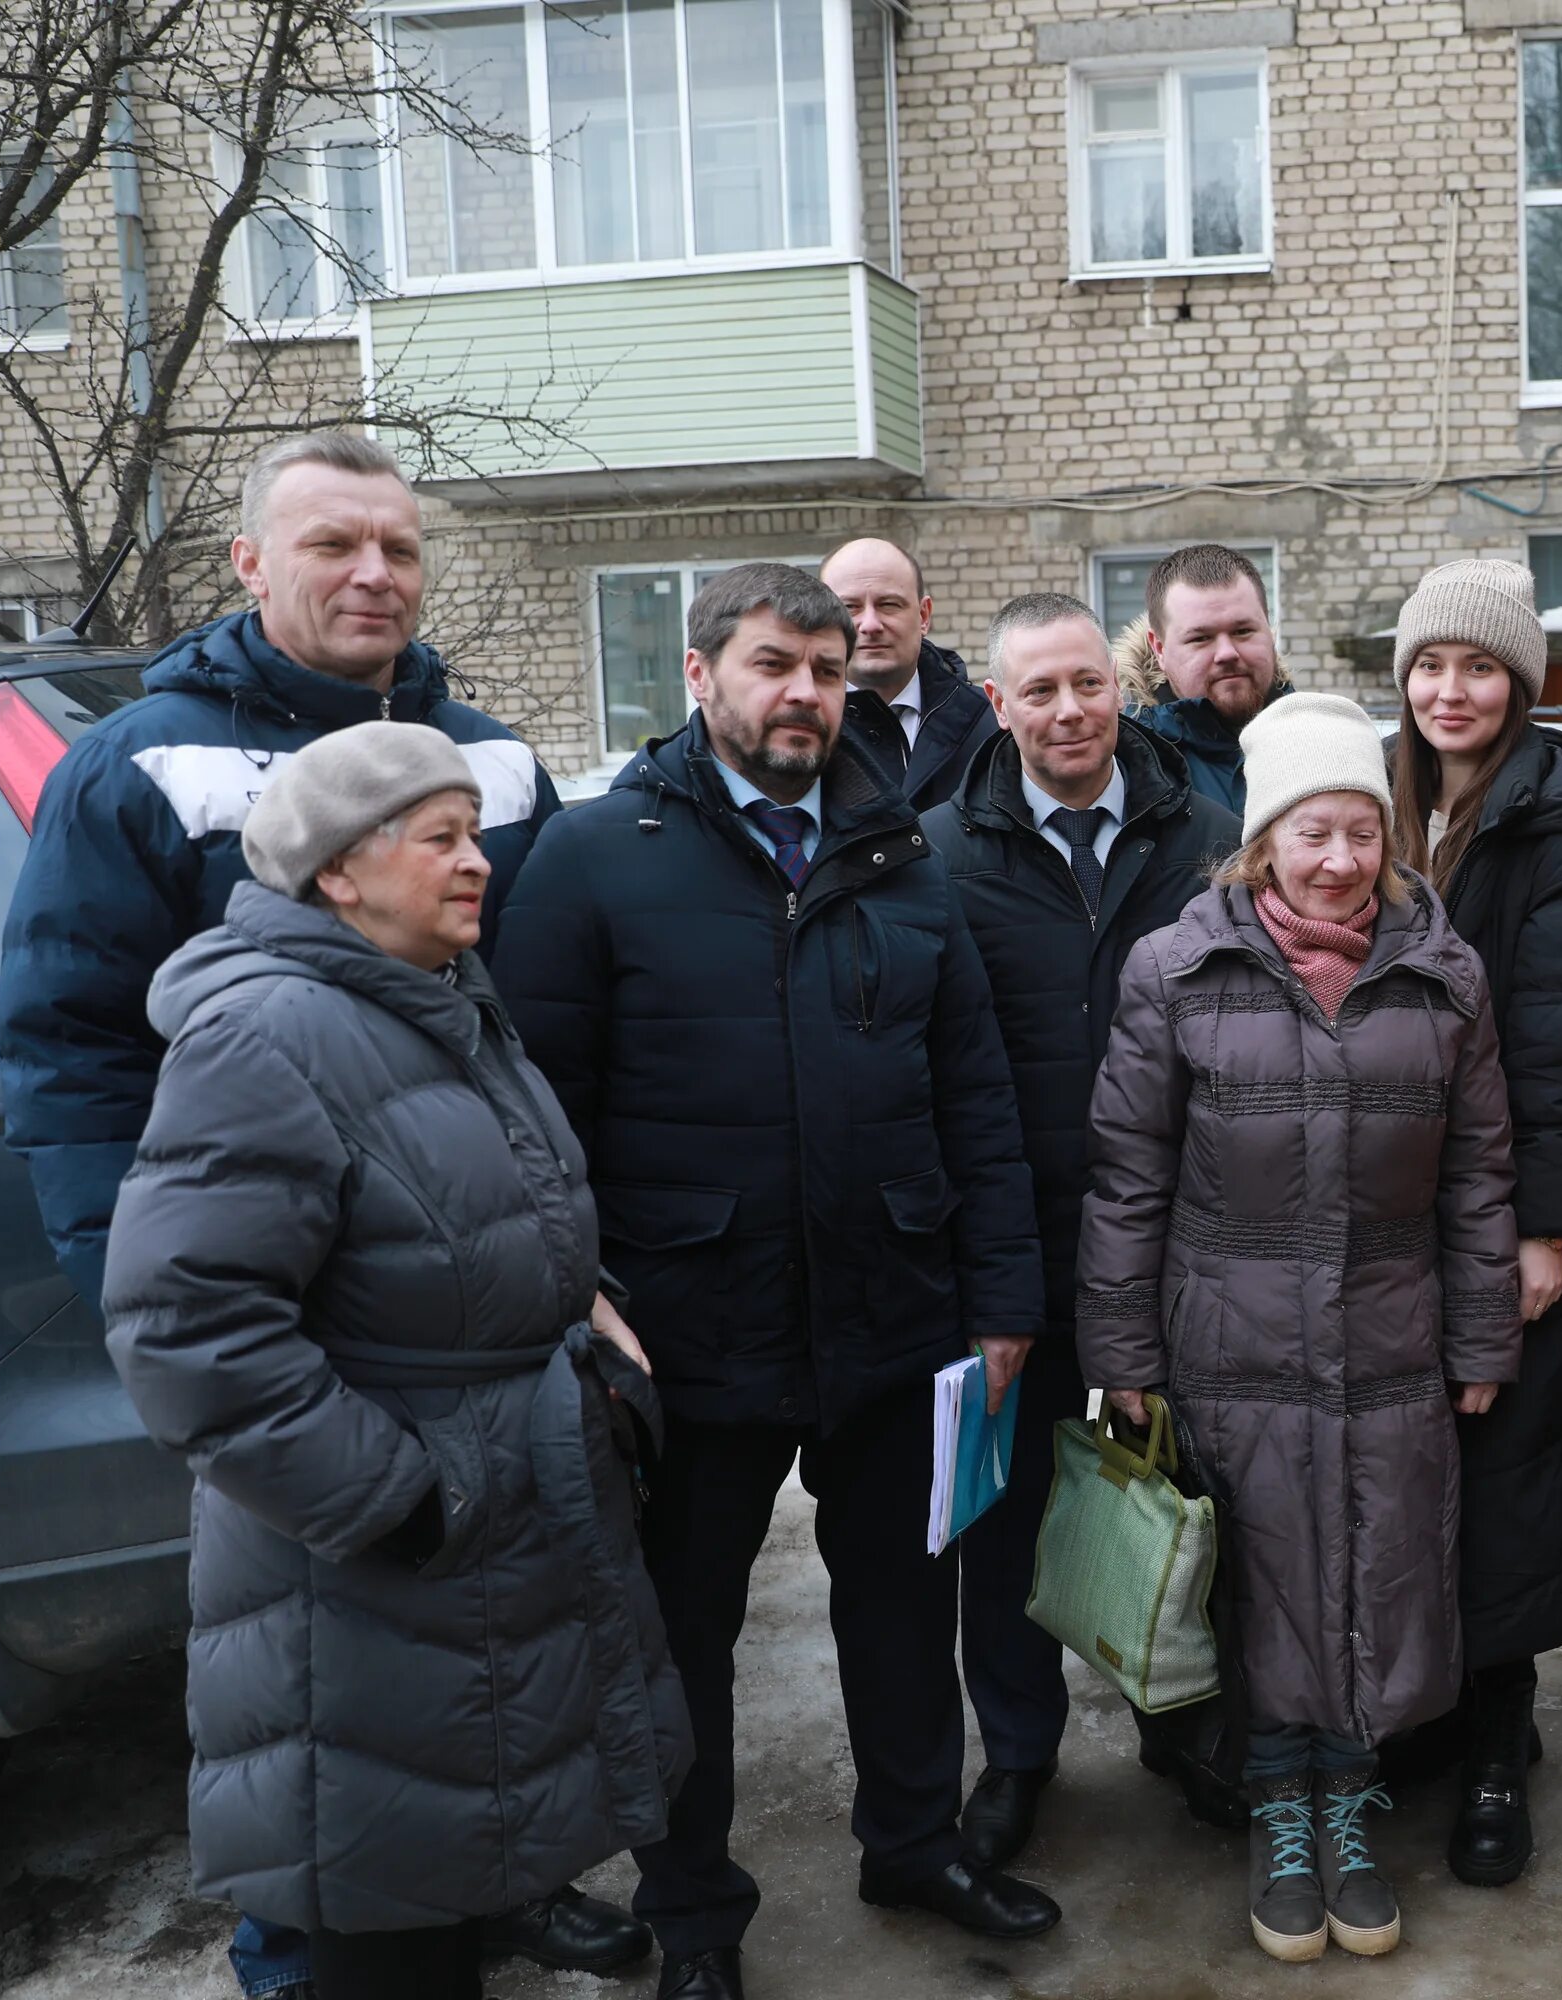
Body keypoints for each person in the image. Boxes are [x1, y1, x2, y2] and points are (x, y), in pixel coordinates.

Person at [0, 430, 647, 1992]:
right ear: (248, 564)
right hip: (303, 1328)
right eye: (333, 545)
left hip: (472, 1316)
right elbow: (74, 1055)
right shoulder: (146, 761)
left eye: (399, 549)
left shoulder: (487, 757)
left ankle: (499, 1887)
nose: (373, 575)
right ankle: (320, 1941)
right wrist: (150, 1319)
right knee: (327, 1702)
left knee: (482, 1667)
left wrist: (571, 1270)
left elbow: (522, 1038)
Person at [491, 565, 1048, 2000]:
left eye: (823, 667)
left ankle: (914, 1842)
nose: (801, 691)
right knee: (683, 1639)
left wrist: (999, 1305)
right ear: (700, 675)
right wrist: (580, 1292)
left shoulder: (899, 854)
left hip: (894, 1310)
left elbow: (973, 1092)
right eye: (769, 663)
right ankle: (693, 1916)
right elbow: (534, 1112)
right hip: (687, 1332)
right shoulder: (599, 857)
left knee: (904, 1613)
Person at [100, 724, 689, 2000]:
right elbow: (186, 1328)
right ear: (337, 872)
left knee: (454, 1878)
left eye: (476, 832)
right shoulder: (268, 1037)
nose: (479, 863)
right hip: (378, 1586)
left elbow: (469, 1212)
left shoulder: (440, 1002)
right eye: (443, 838)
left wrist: (586, 1304)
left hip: (473, 1560)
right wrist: (401, 1498)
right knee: (392, 1923)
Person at [1077, 690, 1522, 1963]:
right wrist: (1122, 1357)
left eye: (1362, 834)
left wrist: (1482, 1334)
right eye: (1313, 833)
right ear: (1262, 840)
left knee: (1381, 1571)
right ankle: (1282, 1807)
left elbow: (1482, 1170)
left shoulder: (1442, 973)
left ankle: (1353, 1802)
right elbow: (1126, 1177)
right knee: (1265, 1581)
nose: (1339, 861)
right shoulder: (1177, 968)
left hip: (1392, 1336)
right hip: (1229, 1340)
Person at [925, 592, 1242, 1866]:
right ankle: (1017, 1751)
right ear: (996, 704)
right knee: (1008, 1521)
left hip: (1188, 1247)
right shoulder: (938, 851)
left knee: (1190, 1495)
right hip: (1015, 1241)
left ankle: (1185, 1727)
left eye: (1086, 684)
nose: (1068, 711)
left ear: (1122, 686)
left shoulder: (1208, 837)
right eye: (1037, 691)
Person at [1381, 560, 1562, 1886]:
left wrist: (1543, 1229)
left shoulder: (1560, 823)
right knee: (1412, 1479)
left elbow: (1554, 1039)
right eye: (1430, 667)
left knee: (1512, 1479)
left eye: (1479, 668)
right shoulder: (1385, 804)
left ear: (1521, 686)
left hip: (1509, 1212)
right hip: (1388, 1210)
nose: (1450, 691)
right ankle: (1433, 1718)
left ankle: (1497, 1751)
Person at [820, 536, 998, 812]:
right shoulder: (797, 727)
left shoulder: (992, 724)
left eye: (889, 604)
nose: (870, 624)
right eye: (849, 607)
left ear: (924, 616)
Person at [1124, 543, 1289, 812]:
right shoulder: (1125, 765)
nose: (1227, 653)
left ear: (1270, 633)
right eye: (1201, 638)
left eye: (1243, 631)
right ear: (1160, 649)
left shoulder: (1326, 747)